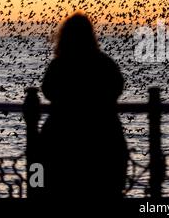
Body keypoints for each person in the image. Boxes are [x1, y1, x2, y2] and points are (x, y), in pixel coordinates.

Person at [38, 12, 128, 199]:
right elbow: (118, 87)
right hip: (103, 143)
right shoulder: (105, 63)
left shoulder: (59, 65)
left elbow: (47, 90)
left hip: (61, 143)